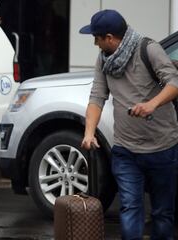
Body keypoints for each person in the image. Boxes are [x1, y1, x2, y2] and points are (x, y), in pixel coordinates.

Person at [80, 9, 178, 240]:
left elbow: (174, 82)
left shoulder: (148, 49)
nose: (95, 43)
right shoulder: (104, 60)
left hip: (162, 148)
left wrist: (152, 104)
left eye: (97, 38)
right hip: (125, 150)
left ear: (110, 37)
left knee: (163, 214)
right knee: (130, 208)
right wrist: (89, 132)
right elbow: (97, 97)